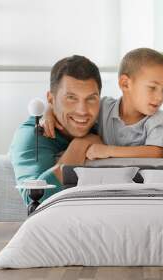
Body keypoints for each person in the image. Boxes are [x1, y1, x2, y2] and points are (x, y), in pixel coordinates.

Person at [42, 48, 163, 159]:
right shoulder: (104, 107)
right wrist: (48, 113)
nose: (160, 97)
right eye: (152, 88)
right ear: (125, 84)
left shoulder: (161, 121)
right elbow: (76, 108)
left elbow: (155, 152)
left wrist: (107, 151)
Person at [10, 55, 103, 205]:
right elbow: (35, 201)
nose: (82, 110)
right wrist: (81, 144)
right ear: (51, 100)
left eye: (91, 98)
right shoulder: (31, 135)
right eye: (71, 98)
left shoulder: (106, 121)